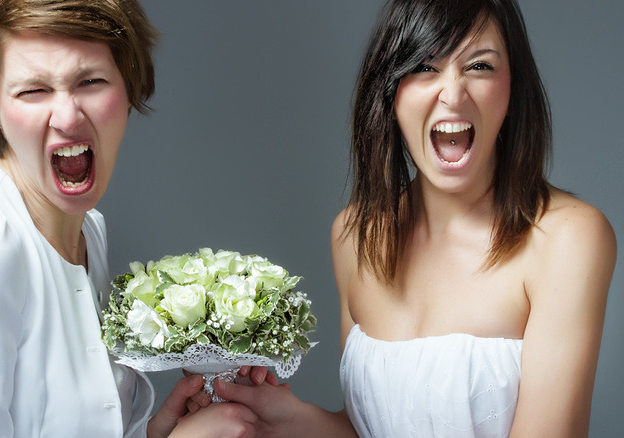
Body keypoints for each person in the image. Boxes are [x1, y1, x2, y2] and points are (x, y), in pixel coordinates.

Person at [216, 0, 617, 437]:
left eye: (479, 67)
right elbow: (373, 426)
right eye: (425, 66)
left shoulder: (566, 239)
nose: (453, 93)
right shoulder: (355, 235)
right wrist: (287, 419)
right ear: (390, 91)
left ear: (512, 88)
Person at [0, 0, 266, 436]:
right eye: (32, 91)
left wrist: (158, 433)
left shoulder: (88, 232)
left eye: (91, 81)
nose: (68, 117)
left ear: (130, 86)